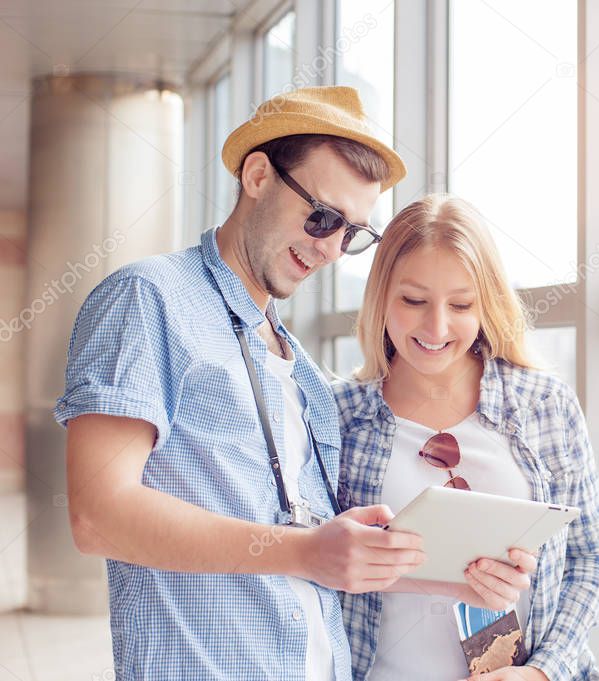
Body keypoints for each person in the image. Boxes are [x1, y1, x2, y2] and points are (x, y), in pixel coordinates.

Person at [58, 86, 431, 680]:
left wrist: (461, 568)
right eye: (323, 216)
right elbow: (98, 514)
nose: (330, 248)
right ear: (258, 175)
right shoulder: (148, 298)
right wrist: (305, 551)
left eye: (352, 234)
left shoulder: (301, 369)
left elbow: (316, 544)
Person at [333, 195, 599, 681]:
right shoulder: (337, 418)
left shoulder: (543, 405)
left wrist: (543, 672)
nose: (437, 327)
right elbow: (309, 568)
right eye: (414, 301)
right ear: (380, 296)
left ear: (486, 304)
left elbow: (592, 556)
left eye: (461, 304)